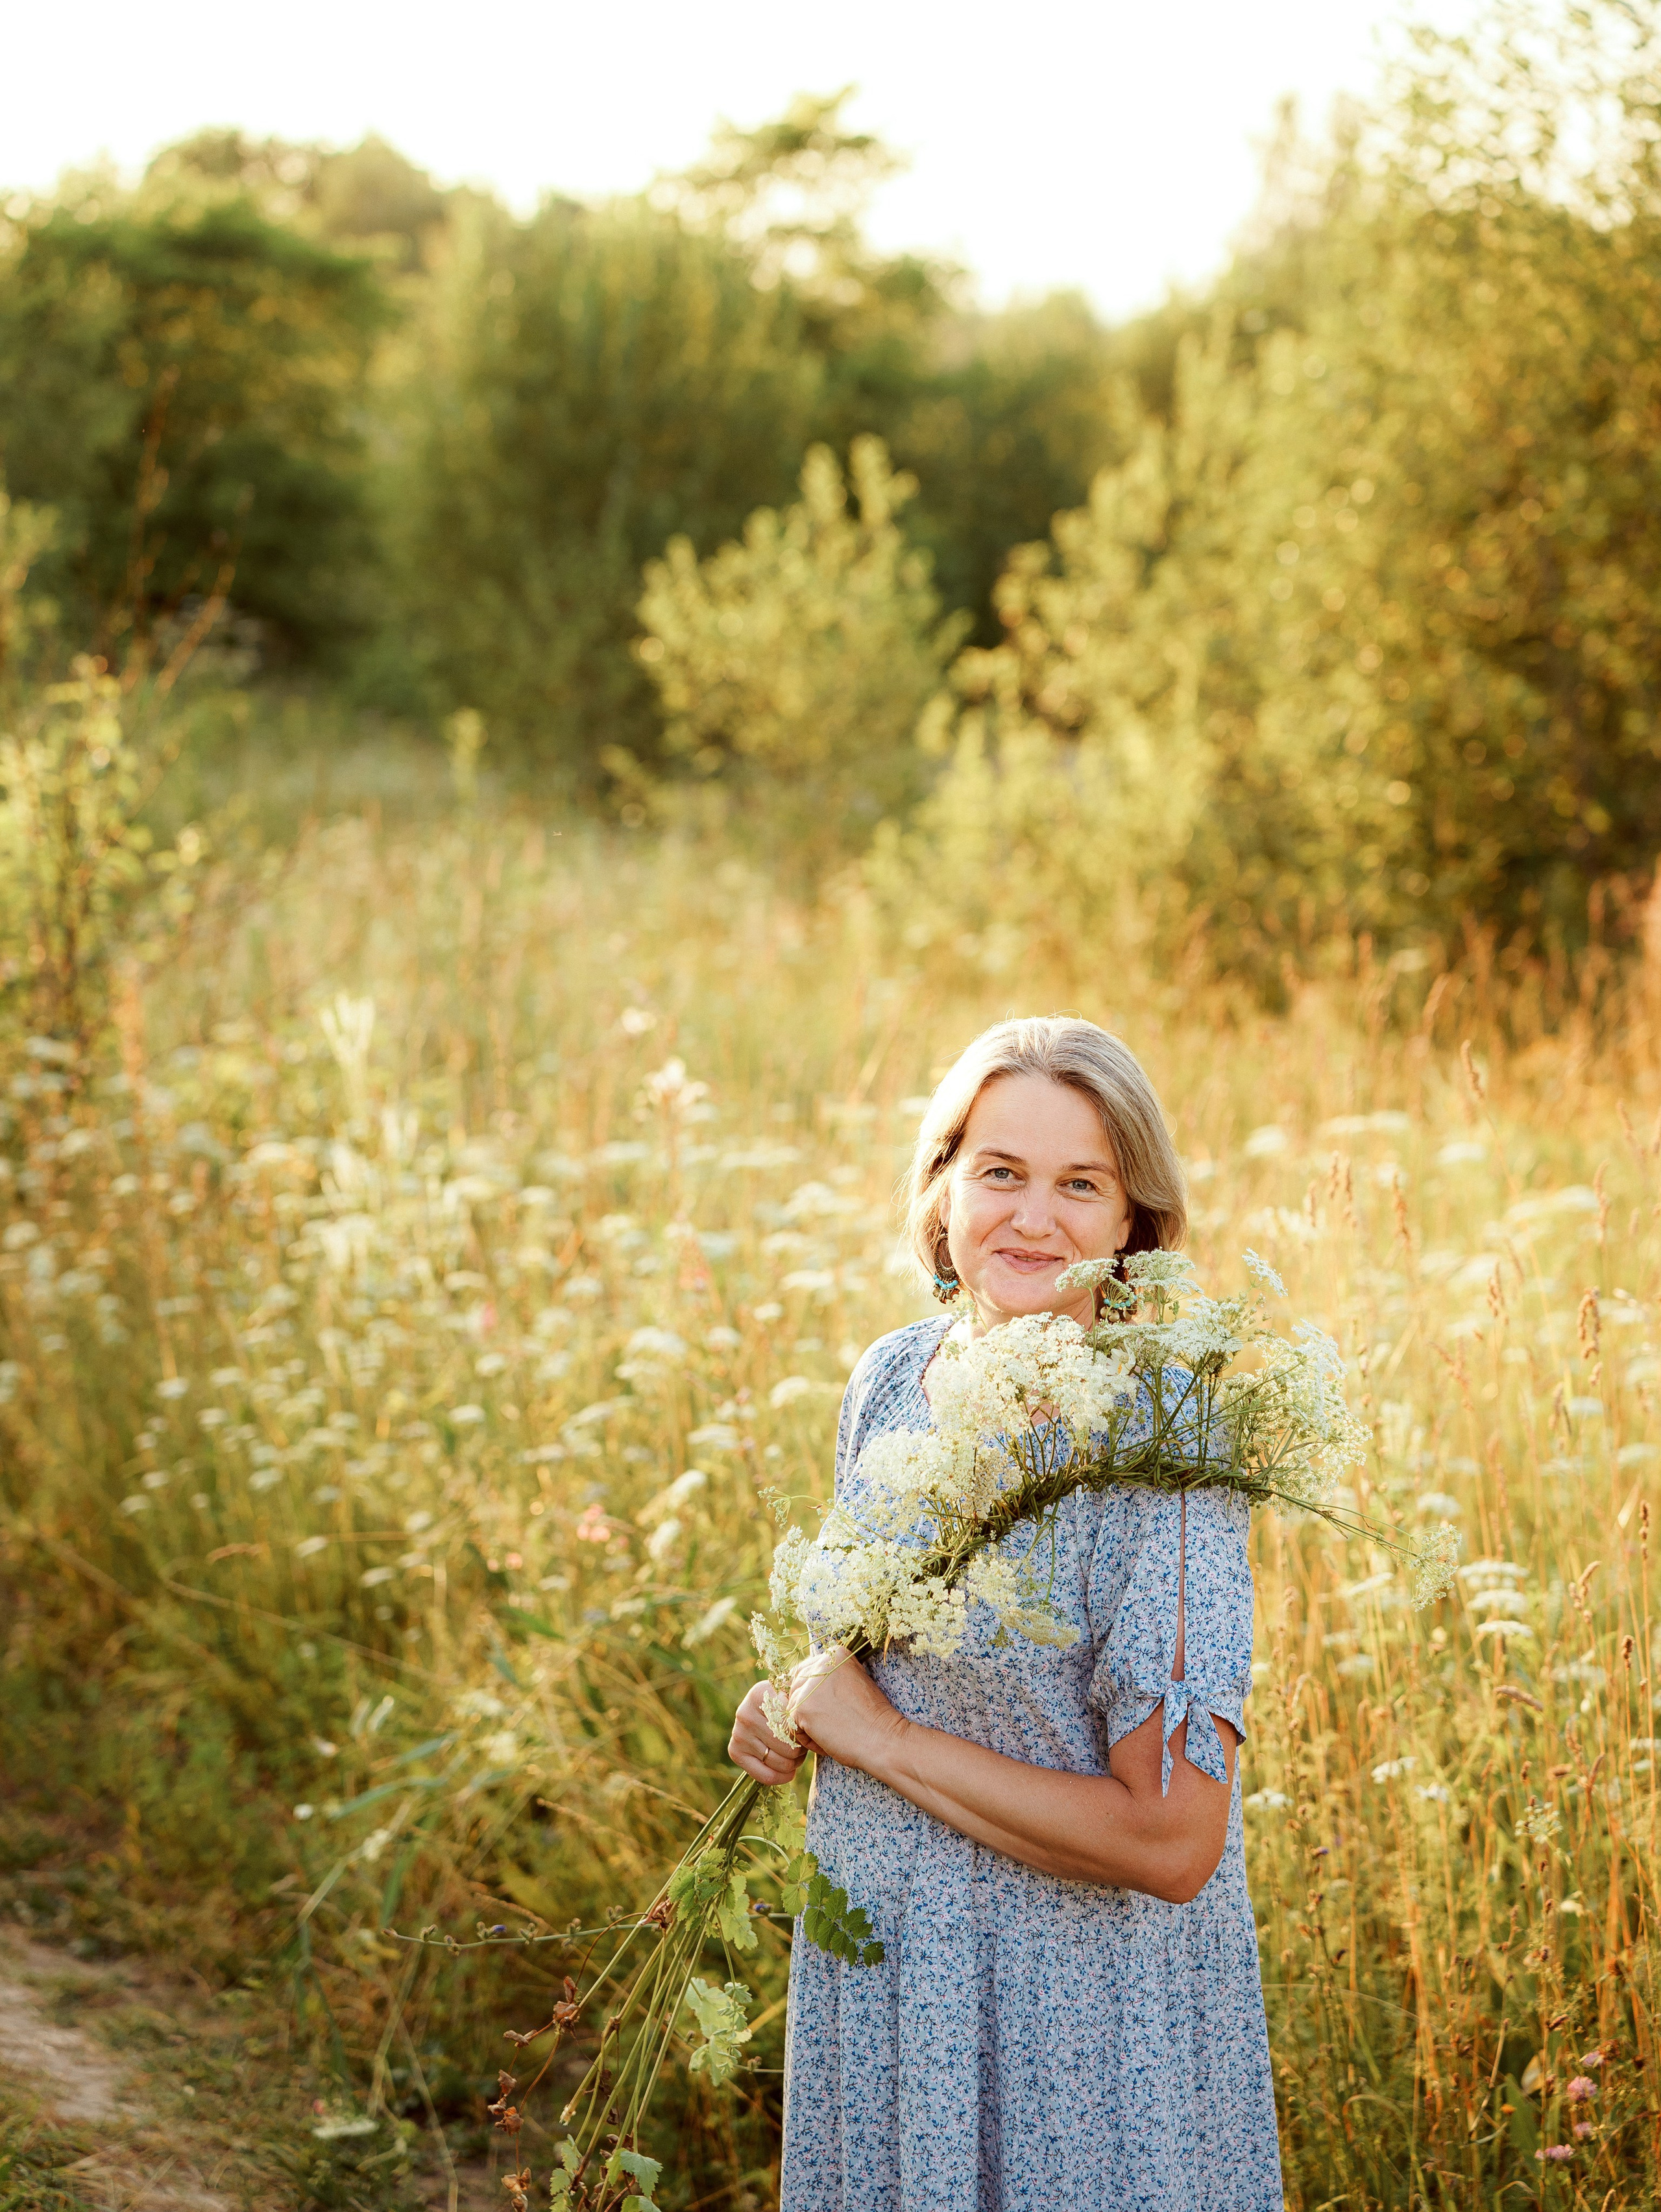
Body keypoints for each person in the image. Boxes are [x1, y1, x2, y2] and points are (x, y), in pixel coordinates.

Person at [728, 1016, 1281, 2211]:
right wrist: (792, 1708)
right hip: (886, 1989)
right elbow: (866, 1657)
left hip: (1070, 2027)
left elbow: (1172, 1838)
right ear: (943, 1191)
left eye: (1080, 1183)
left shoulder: (1166, 1448)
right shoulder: (891, 1377)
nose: (1034, 1218)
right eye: (1000, 1171)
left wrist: (881, 1738)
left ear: (1133, 1222)